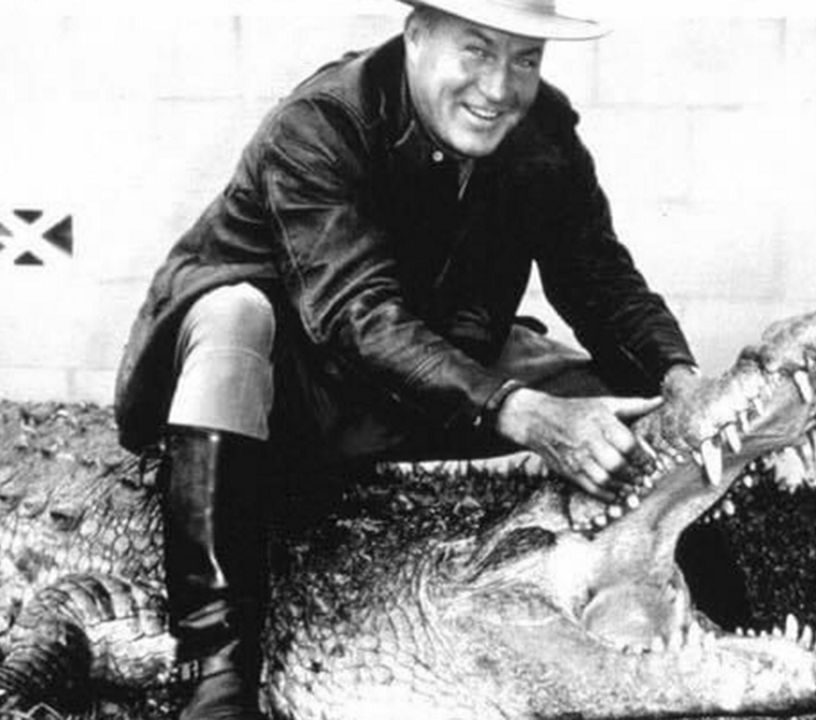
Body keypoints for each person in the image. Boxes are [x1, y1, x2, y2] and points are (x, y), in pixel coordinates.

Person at [114, 1, 744, 718]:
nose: (500, 87)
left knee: (634, 406)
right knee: (231, 315)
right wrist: (523, 411)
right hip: (291, 383)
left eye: (526, 58)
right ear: (415, 38)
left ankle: (712, 613)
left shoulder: (543, 135)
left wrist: (677, 379)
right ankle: (218, 669)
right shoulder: (321, 124)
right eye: (476, 50)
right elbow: (355, 316)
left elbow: (597, 277)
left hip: (435, 365)